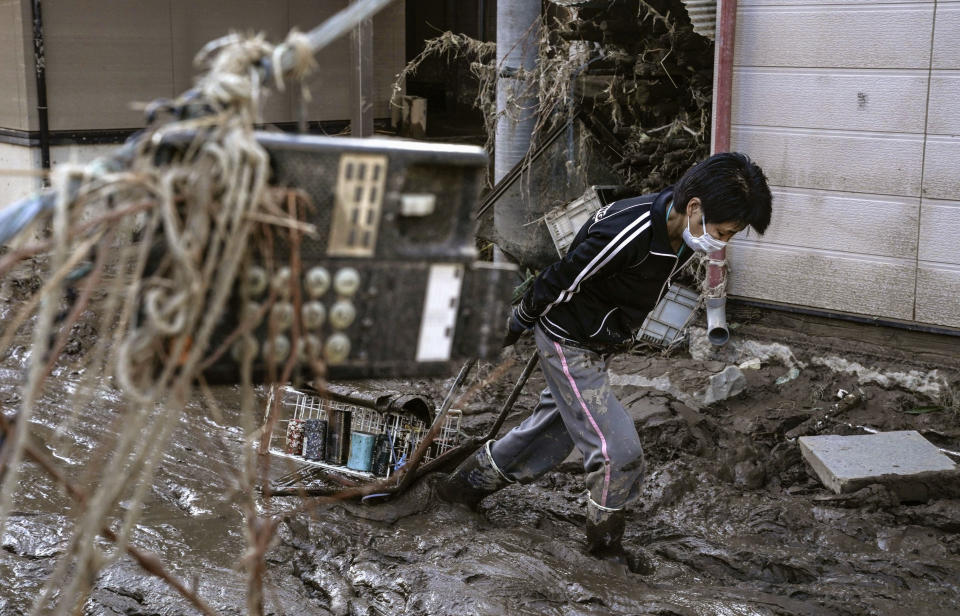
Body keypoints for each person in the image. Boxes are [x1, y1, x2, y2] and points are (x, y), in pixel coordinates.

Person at [437, 152, 773, 566]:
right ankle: (605, 551)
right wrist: (515, 323)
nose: (721, 243)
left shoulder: (681, 236)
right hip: (568, 340)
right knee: (618, 451)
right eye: (722, 231)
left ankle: (460, 489)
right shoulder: (629, 231)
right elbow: (561, 278)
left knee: (551, 433)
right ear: (694, 208)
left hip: (597, 342)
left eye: (731, 236)